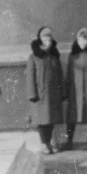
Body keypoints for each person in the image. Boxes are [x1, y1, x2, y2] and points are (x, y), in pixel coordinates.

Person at [26, 26, 65, 154]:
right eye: (44, 37)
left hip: (53, 93)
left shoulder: (54, 55)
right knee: (41, 121)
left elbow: (60, 75)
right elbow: (30, 76)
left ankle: (49, 143)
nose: (47, 40)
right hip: (40, 95)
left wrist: (62, 91)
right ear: (40, 39)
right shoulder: (33, 56)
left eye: (49, 37)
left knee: (51, 120)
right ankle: (44, 144)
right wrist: (32, 94)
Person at [63, 27, 87, 151]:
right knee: (72, 116)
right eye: (80, 40)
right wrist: (66, 90)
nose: (82, 43)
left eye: (85, 40)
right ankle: (69, 141)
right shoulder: (73, 56)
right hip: (75, 91)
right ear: (77, 41)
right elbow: (68, 74)